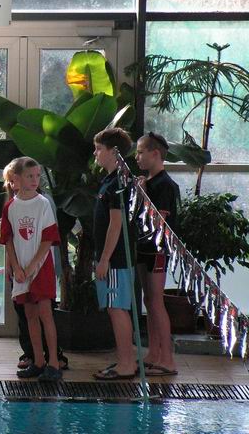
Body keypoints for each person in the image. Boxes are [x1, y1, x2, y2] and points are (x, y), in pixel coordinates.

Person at [0, 157, 63, 382]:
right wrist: (16, 266)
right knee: (30, 316)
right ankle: (38, 361)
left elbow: (48, 238)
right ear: (17, 178)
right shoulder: (10, 207)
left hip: (40, 267)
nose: (35, 180)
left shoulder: (43, 203)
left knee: (45, 314)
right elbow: (7, 239)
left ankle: (53, 362)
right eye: (30, 176)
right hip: (22, 270)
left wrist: (34, 264)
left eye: (37, 176)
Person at [92, 127, 138, 381]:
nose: (95, 153)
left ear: (114, 152)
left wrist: (105, 259)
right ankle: (124, 360)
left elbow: (116, 223)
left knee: (117, 308)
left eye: (99, 149)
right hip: (112, 258)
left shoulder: (119, 182)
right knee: (114, 308)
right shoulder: (110, 180)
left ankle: (127, 364)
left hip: (116, 259)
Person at [135, 132, 180, 376]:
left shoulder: (165, 185)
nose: (137, 157)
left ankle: (168, 359)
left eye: (140, 152)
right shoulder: (149, 182)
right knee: (149, 300)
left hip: (158, 250)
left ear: (155, 154)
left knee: (156, 300)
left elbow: (157, 223)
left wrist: (142, 195)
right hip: (144, 248)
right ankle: (153, 353)